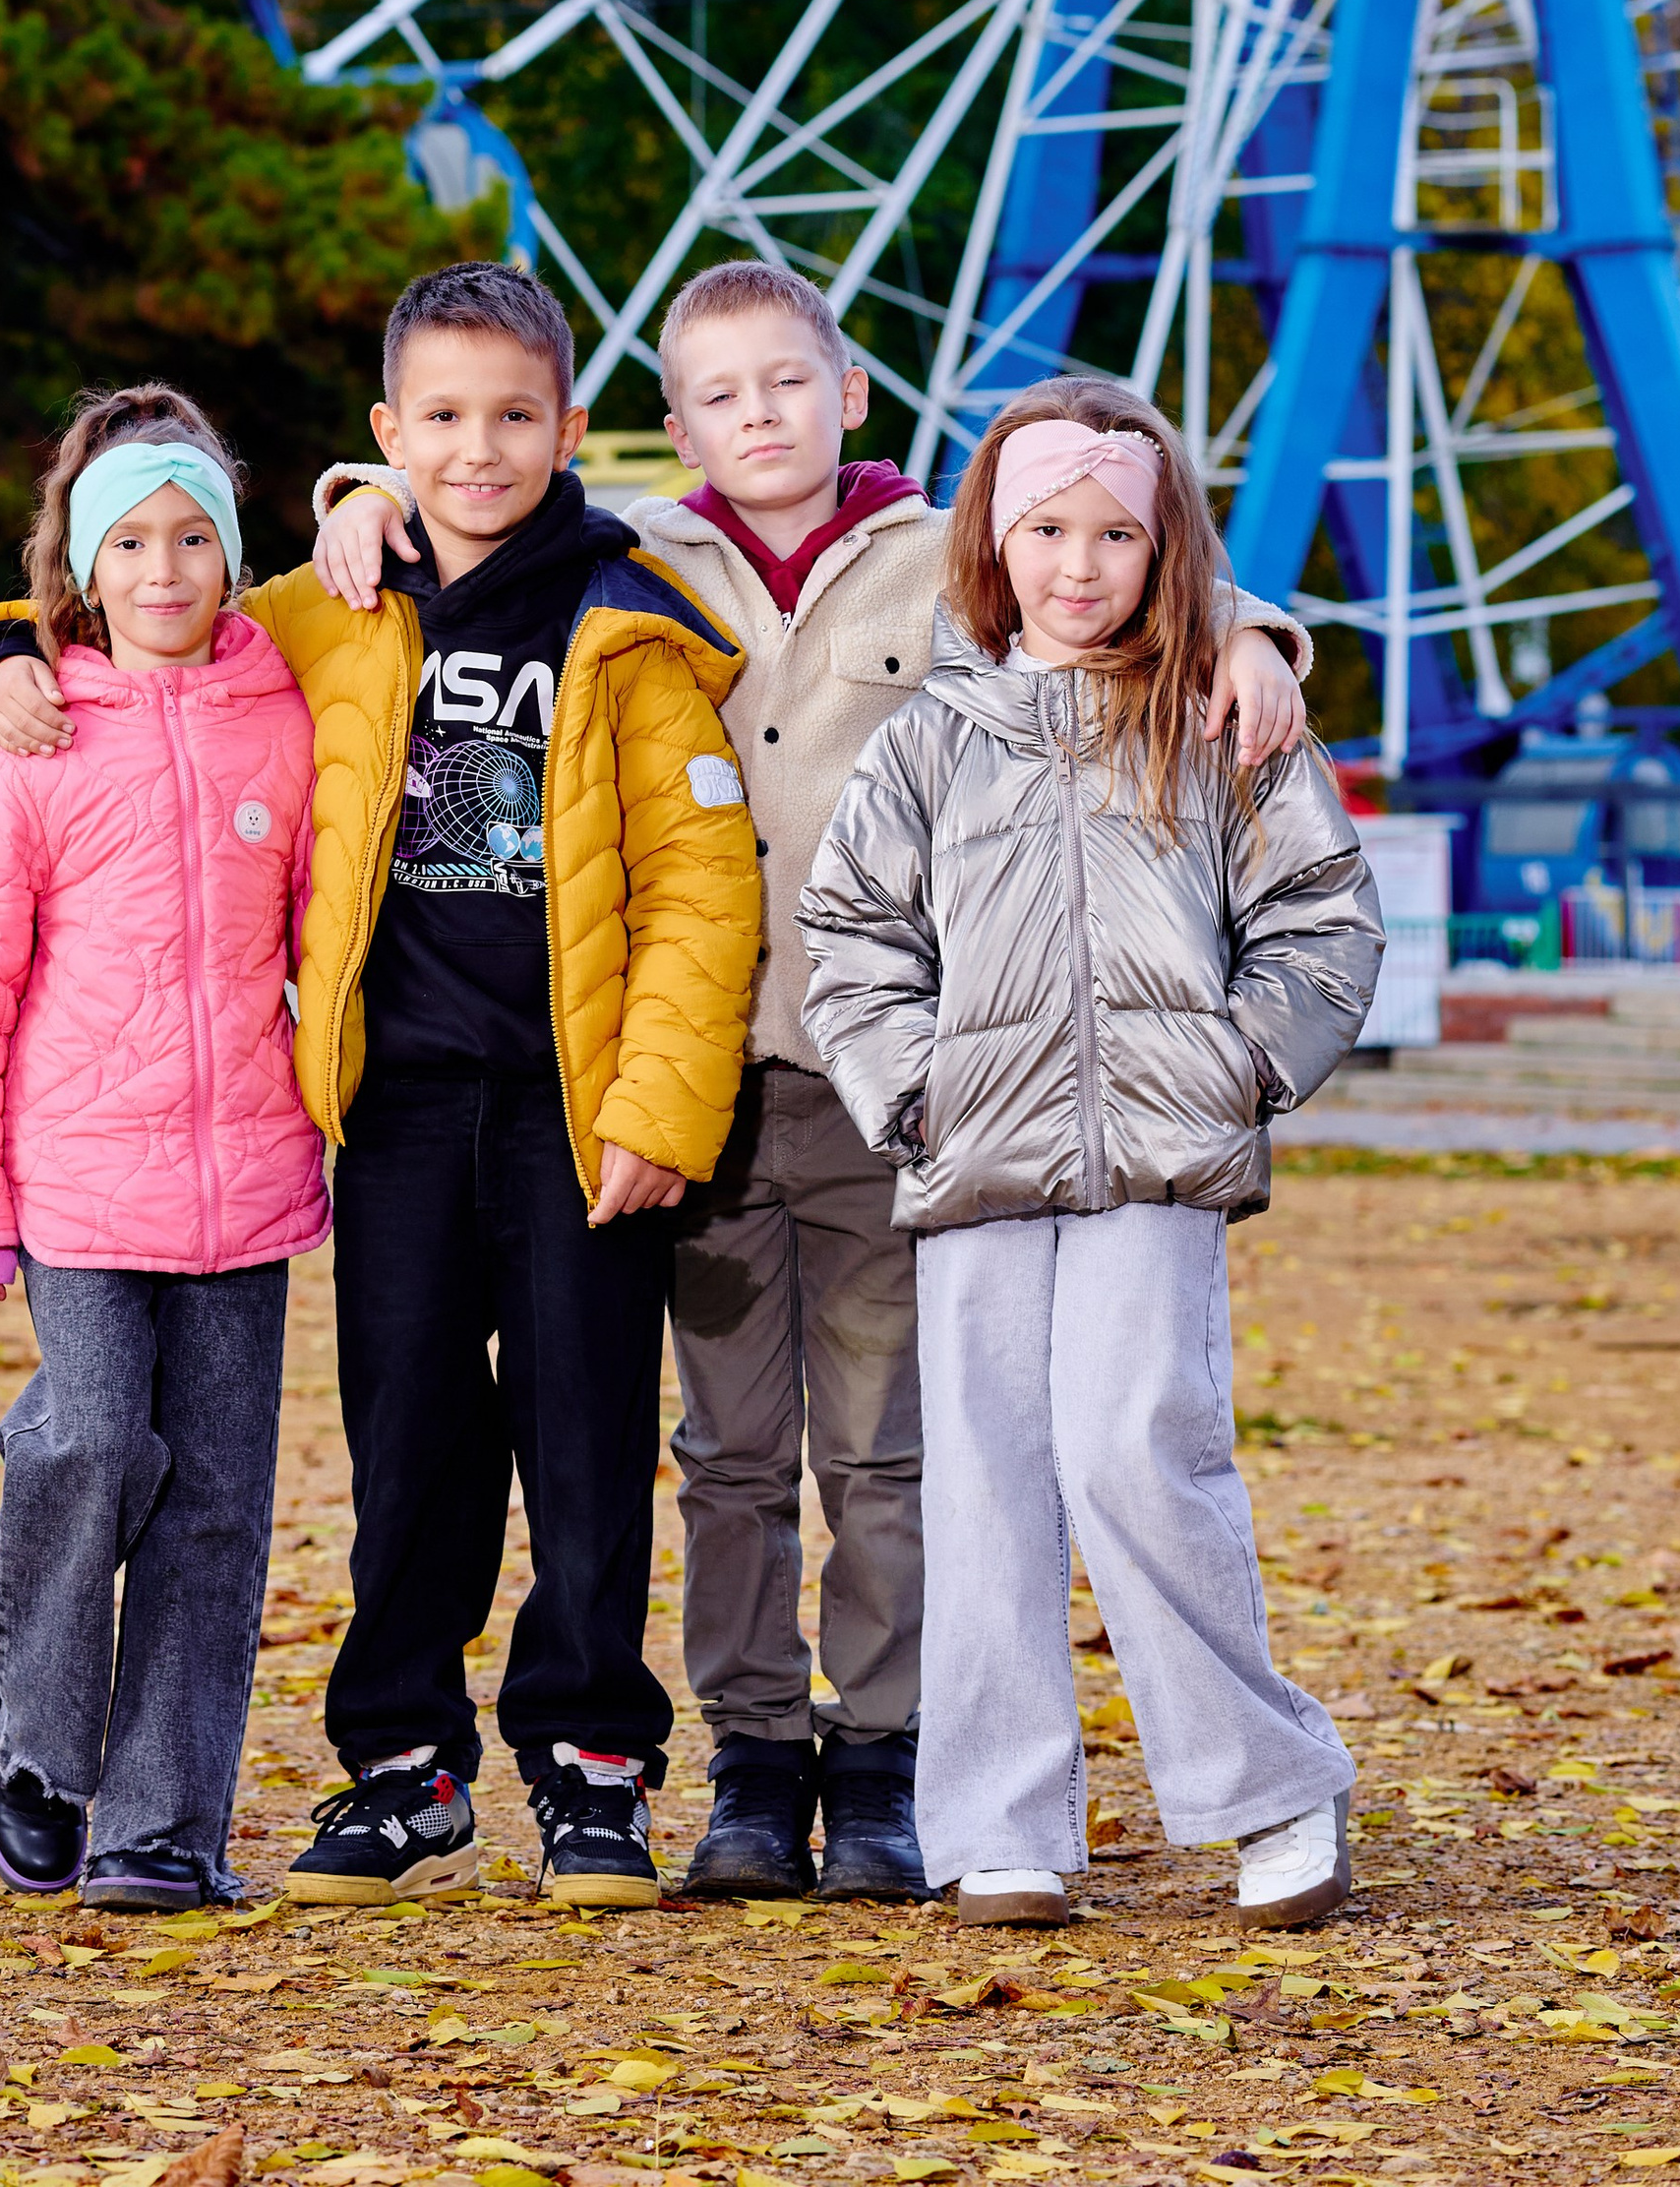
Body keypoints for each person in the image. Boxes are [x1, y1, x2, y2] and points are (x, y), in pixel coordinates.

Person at [307, 263, 1315, 1902]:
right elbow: (457, 503)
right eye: (716, 395)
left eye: (788, 385)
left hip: (897, 1089)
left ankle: (892, 1755)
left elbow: (1124, 574)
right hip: (698, 1077)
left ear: (852, 395)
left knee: (892, 1448)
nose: (755, 419)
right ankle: (753, 1766)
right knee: (726, 1453)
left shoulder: (949, 560)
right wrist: (355, 498)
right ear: (665, 421)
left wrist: (1264, 638)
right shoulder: (631, 558)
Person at [0, 266, 762, 1910]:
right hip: (391, 1109)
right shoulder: (321, 613)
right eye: (444, 422)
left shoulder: (632, 614)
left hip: (578, 1106)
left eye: (518, 418)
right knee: (407, 1440)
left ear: (570, 429)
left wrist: (660, 1112)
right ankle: (403, 1768)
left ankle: (591, 1768)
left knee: (588, 1441)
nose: (481, 452)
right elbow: (135, 633)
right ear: (391, 434)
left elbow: (700, 882)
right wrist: (0, 657)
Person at [798, 379, 1381, 1932]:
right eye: (1046, 527)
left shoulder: (1217, 718)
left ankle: (1268, 1787)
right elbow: (852, 939)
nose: (1079, 562)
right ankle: (1000, 1822)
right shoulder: (929, 739)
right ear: (993, 537)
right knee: (984, 1481)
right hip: (978, 1162)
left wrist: (1238, 1067)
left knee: (1140, 1447)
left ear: (1163, 545)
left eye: (1117, 532)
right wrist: (914, 1093)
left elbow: (1322, 919)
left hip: (1160, 1161)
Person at [0, 385, 329, 1915]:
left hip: (249, 1183)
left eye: (193, 539)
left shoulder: (284, 716)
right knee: (89, 1437)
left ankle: (164, 1828)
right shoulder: (33, 741)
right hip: (77, 1184)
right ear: (84, 570)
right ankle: (35, 1736)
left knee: (217, 1511)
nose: (165, 571)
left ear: (232, 555)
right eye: (132, 543)